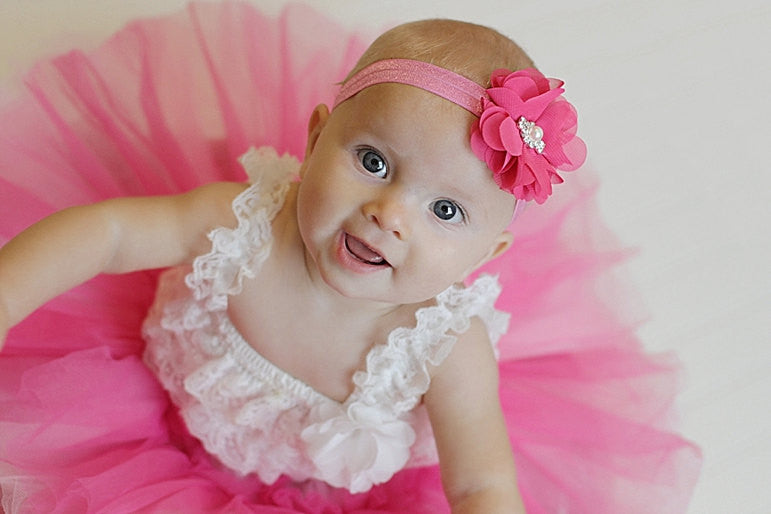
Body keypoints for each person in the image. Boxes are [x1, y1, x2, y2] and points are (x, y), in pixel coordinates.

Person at [0, 3, 700, 513]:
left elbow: (480, 484)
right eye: (372, 161)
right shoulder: (244, 222)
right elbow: (111, 233)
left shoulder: (444, 348)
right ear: (314, 140)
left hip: (325, 497)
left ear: (487, 255)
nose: (389, 214)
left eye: (445, 210)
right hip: (146, 421)